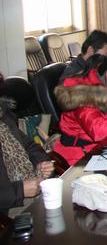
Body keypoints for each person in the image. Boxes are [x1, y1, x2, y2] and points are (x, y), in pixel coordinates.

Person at [0, 73, 54, 216]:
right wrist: (20, 190)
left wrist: (41, 163)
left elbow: (30, 146)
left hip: (34, 189)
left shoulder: (4, 117)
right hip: (9, 210)